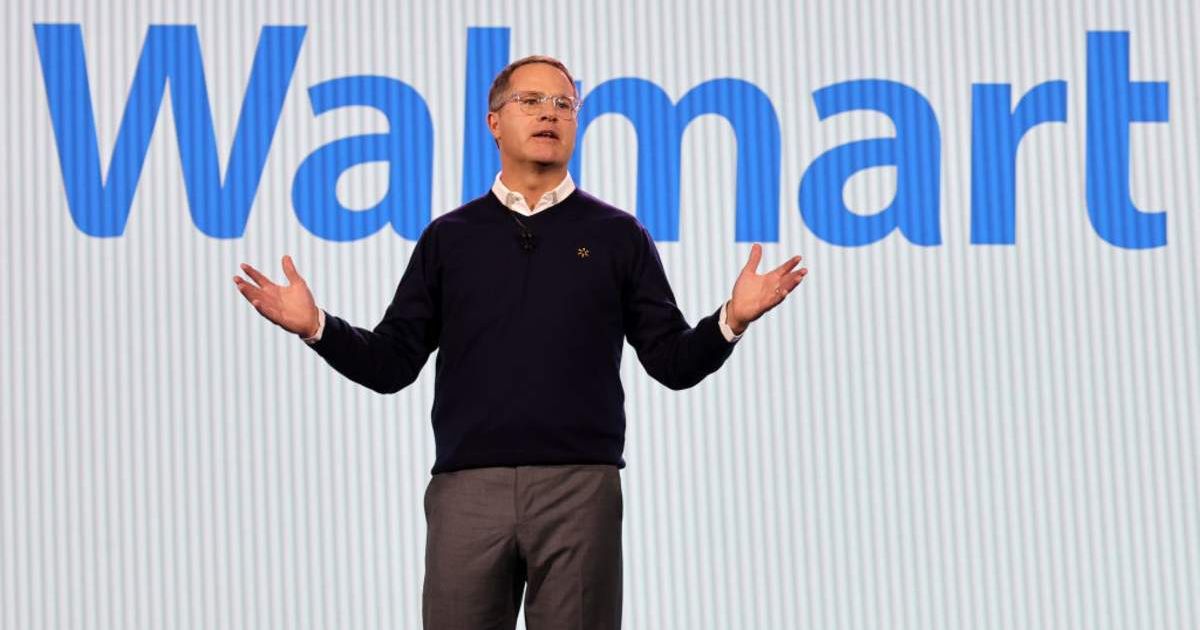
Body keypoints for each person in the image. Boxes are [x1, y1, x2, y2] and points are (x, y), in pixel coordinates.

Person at [233, 55, 807, 630]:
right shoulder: (449, 238)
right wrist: (316, 326)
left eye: (563, 104)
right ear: (494, 122)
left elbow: (672, 362)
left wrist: (732, 318)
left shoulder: (617, 235)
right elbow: (391, 363)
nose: (549, 114)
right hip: (467, 489)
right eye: (530, 101)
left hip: (580, 489)